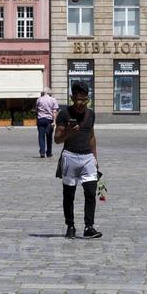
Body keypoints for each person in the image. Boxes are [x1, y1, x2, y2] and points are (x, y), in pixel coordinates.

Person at [54, 82, 101, 239]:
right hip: (70, 156)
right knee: (69, 194)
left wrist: (95, 158)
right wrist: (68, 132)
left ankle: (89, 227)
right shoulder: (64, 114)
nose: (81, 103)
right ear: (72, 97)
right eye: (78, 99)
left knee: (90, 192)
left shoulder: (91, 114)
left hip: (88, 157)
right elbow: (57, 139)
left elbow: (92, 136)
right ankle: (70, 225)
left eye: (84, 99)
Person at [35, 89, 59, 158]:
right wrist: (54, 122)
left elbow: (36, 110)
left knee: (41, 136)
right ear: (49, 93)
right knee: (49, 137)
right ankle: (49, 153)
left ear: (43, 93)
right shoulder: (53, 100)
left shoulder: (39, 99)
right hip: (49, 120)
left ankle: (42, 152)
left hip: (41, 119)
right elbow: (54, 112)